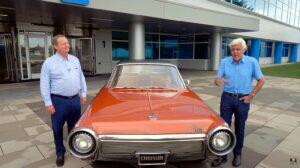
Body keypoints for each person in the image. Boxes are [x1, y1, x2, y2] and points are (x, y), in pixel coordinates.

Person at [212, 38, 265, 167]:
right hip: (227, 99)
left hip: (243, 100)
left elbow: (261, 80)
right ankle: (222, 155)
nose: (235, 52)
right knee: (224, 128)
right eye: (233, 49)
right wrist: (218, 81)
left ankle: (237, 154)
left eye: (238, 49)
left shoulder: (252, 62)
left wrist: (251, 95)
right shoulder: (225, 62)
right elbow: (217, 80)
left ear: (244, 49)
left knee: (240, 129)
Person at [40, 34, 87, 167]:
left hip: (74, 100)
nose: (67, 45)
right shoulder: (49, 63)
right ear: (55, 46)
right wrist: (48, 103)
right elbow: (44, 84)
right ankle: (60, 152)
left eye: (67, 43)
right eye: (63, 44)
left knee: (74, 128)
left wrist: (83, 94)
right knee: (57, 128)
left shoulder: (75, 60)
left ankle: (74, 147)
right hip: (58, 102)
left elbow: (81, 77)